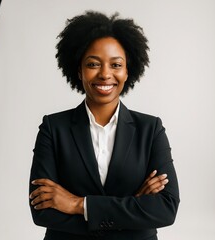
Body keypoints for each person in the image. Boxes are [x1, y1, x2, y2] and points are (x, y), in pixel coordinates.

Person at [29, 11, 180, 240]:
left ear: (128, 71)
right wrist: (134, 209)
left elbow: (166, 208)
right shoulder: (53, 128)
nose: (105, 74)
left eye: (116, 64)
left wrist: (79, 205)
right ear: (79, 70)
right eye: (93, 64)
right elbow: (41, 212)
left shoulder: (151, 129)